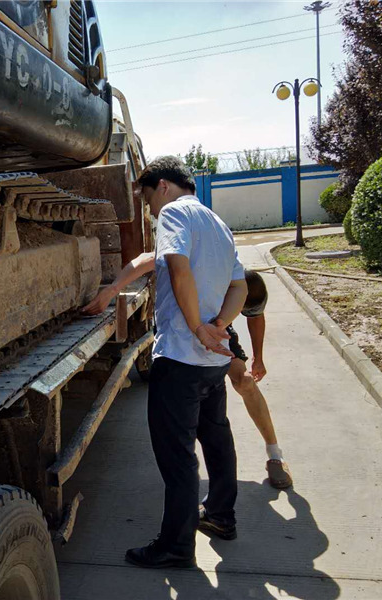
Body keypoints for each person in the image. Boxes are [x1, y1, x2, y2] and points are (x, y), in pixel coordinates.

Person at [115, 156, 247, 569]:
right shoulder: (217, 223)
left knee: (178, 458)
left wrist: (195, 326)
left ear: (164, 187)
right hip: (210, 362)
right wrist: (218, 326)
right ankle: (222, 517)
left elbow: (177, 266)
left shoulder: (173, 213)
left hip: (180, 359)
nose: (150, 209)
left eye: (149, 198)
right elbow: (240, 285)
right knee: (217, 438)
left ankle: (175, 546)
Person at [84, 261, 293, 489]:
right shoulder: (195, 261)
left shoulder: (246, 282)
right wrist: (112, 290)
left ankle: (275, 454)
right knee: (184, 408)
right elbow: (147, 259)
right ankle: (185, 484)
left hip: (215, 326)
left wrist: (258, 357)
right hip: (179, 329)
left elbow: (255, 316)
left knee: (244, 382)